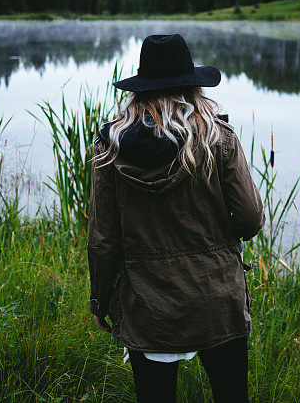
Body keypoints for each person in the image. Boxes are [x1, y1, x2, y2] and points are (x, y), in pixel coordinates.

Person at [86, 33, 265, 402]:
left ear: (139, 90)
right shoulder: (219, 139)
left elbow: (103, 240)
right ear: (192, 86)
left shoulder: (110, 148)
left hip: (148, 305)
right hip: (217, 298)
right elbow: (249, 219)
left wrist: (101, 302)